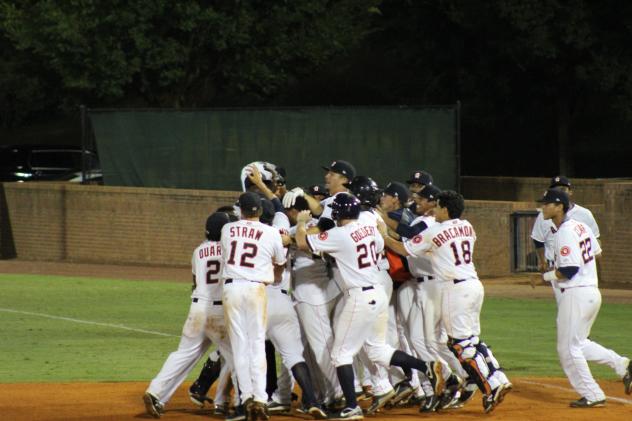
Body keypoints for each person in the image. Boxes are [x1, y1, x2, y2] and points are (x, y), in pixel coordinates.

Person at [295, 193, 435, 420]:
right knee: (377, 349)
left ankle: (351, 406)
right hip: (378, 292)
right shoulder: (369, 229)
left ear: (339, 213)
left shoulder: (339, 234)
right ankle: (426, 367)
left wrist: (301, 222)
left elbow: (302, 242)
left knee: (340, 354)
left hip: (360, 296)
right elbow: (380, 243)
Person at [381, 190, 512, 414]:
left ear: (446, 209)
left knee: (461, 344)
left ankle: (491, 386)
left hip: (455, 289)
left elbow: (403, 249)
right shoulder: (468, 226)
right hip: (473, 285)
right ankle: (498, 377)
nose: (435, 210)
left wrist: (382, 234)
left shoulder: (434, 231)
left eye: (438, 206)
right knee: (473, 341)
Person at [536, 189, 632, 407]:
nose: (544, 207)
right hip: (590, 291)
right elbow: (596, 252)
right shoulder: (582, 227)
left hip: (576, 292)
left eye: (547, 204)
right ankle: (623, 365)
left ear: (560, 206)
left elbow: (568, 269)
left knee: (568, 349)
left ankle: (593, 394)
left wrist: (545, 276)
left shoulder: (565, 232)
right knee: (579, 343)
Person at [143, 212, 235, 419]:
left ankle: (155, 392)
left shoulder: (198, 251)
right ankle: (231, 403)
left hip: (197, 309)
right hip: (218, 312)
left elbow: (195, 281)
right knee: (236, 356)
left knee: (182, 354)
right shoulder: (229, 249)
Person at [221, 192, 288, 420]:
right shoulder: (271, 233)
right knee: (257, 343)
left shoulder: (227, 229)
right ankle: (260, 398)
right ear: (259, 210)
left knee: (239, 345)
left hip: (231, 288)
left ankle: (246, 396)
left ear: (241, 210)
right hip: (256, 289)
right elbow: (280, 262)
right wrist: (275, 273)